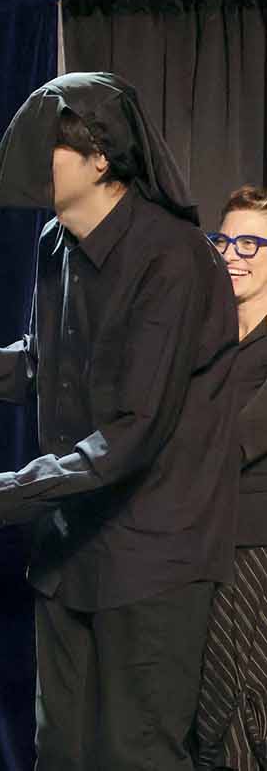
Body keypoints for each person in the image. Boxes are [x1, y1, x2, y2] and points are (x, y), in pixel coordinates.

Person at [0, 72, 238, 770]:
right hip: (71, 550)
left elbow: (132, 431)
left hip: (154, 553)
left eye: (51, 145)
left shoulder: (173, 259)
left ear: (101, 156)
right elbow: (43, 368)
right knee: (61, 749)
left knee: (136, 754)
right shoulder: (55, 245)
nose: (34, 161)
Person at [196, 185, 267, 770]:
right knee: (205, 700)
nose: (232, 253)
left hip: (253, 545)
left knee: (243, 700)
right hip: (194, 539)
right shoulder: (204, 336)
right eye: (223, 241)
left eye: (250, 241)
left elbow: (242, 439)